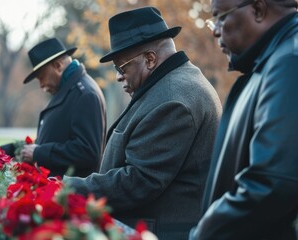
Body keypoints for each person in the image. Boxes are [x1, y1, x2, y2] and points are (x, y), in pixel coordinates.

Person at [62, 7, 222, 240]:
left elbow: (139, 180)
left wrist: (68, 187)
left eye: (121, 67)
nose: (118, 76)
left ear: (150, 59)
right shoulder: (170, 85)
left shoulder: (173, 99)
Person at [189, 1, 298, 239]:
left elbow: (273, 183)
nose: (216, 30)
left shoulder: (290, 61)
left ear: (258, 10)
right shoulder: (273, 62)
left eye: (220, 17)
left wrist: (205, 233)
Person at [1, 38, 107, 178]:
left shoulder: (85, 94)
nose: (41, 85)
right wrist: (10, 150)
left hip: (72, 194)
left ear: (58, 66)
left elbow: (87, 152)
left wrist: (38, 153)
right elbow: (56, 138)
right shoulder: (69, 90)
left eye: (41, 77)